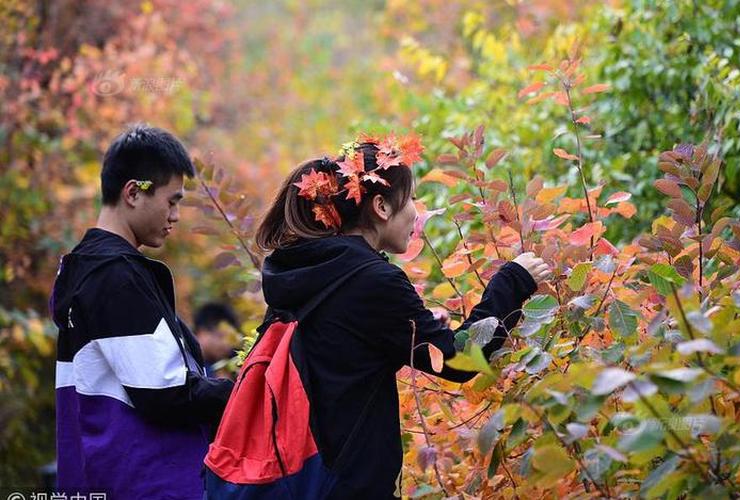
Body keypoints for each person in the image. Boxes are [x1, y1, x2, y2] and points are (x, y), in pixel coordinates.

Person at [214, 134, 551, 498]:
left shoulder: (305, 275)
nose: (416, 212)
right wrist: (512, 281)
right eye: (409, 199)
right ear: (381, 207)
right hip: (350, 486)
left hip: (308, 479)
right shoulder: (371, 280)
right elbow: (458, 361)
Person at [50, 125, 234, 498]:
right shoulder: (113, 276)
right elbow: (164, 392)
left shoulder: (90, 270)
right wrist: (245, 392)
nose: (177, 215)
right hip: (144, 480)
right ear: (133, 192)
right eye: (172, 201)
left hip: (113, 474)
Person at [193, 302, 239, 378]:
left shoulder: (223, 365)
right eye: (221, 336)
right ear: (202, 332)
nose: (227, 344)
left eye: (230, 339)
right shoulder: (185, 364)